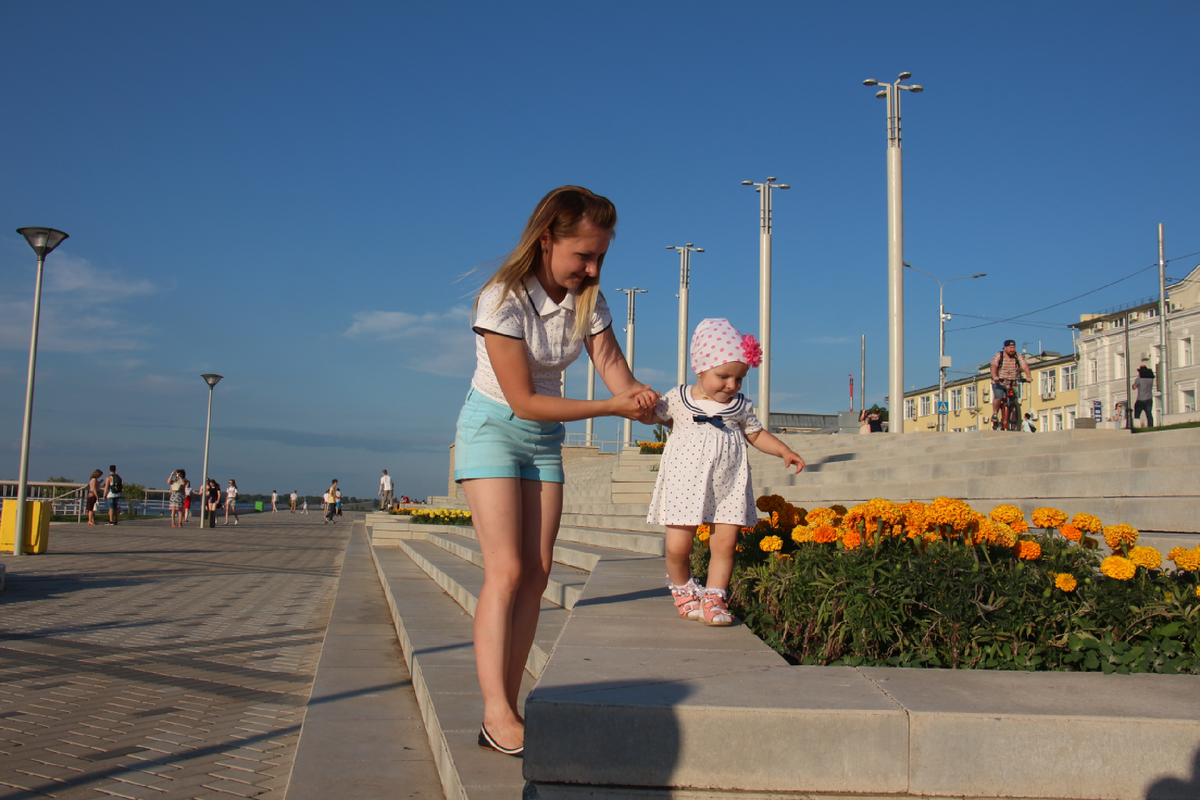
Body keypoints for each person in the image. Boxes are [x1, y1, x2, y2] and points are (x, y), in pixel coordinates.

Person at [455, 186, 657, 757]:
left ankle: (508, 710)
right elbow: (522, 399)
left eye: (601, 258)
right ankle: (496, 713)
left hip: (544, 441)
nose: (592, 269)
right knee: (508, 569)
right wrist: (613, 408)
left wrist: (672, 410)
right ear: (547, 239)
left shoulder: (590, 300)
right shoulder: (502, 298)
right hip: (493, 428)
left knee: (538, 574)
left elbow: (618, 375)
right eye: (583, 256)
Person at [646, 318, 805, 627]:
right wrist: (644, 404)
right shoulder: (678, 399)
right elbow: (653, 416)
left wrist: (783, 450)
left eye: (739, 379)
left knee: (724, 545)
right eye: (723, 376)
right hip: (684, 485)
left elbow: (757, 435)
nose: (731, 385)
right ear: (700, 368)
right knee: (678, 546)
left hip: (728, 486)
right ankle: (683, 589)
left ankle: (715, 598)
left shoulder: (740, 406)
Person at [990, 340, 1032, 429]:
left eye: (1014, 347)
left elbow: (1024, 366)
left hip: (1012, 382)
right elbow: (994, 365)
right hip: (1000, 381)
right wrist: (994, 376)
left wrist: (1028, 376)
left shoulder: (1018, 356)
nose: (1012, 349)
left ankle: (1013, 416)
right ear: (1005, 348)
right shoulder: (999, 356)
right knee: (999, 397)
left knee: (1014, 398)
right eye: (1010, 348)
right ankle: (995, 414)